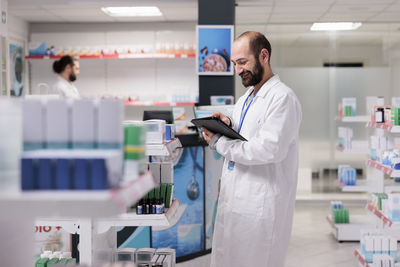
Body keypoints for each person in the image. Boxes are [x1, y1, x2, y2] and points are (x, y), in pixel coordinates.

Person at [201, 31, 302, 267]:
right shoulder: (247, 97)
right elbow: (245, 134)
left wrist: (219, 142)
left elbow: (268, 149)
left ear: (263, 55)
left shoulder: (282, 98)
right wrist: (226, 125)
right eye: (235, 63)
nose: (238, 70)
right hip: (235, 202)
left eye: (243, 62)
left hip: (261, 207)